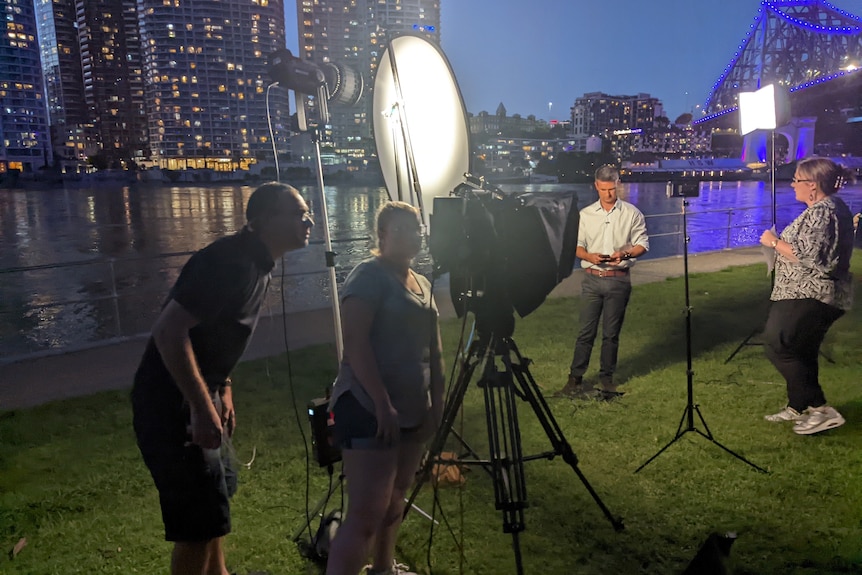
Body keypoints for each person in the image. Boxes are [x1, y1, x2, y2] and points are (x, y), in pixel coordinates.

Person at [131, 182, 313, 575]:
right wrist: (199, 406)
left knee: (214, 505)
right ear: (263, 220)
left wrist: (223, 387)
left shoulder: (257, 262)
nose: (308, 220)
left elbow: (211, 334)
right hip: (171, 404)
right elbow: (169, 332)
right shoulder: (231, 263)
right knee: (196, 523)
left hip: (201, 395)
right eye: (298, 213)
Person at [325, 201, 444, 575]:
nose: (413, 236)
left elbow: (435, 350)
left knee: (395, 501)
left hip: (413, 410)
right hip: (367, 409)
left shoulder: (422, 283)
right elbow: (355, 344)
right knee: (364, 516)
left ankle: (383, 568)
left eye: (417, 229)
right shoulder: (367, 277)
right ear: (382, 236)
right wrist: (382, 403)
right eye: (402, 229)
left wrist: (437, 404)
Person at [760, 157, 855, 435]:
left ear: (812, 186)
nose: (792, 185)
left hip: (808, 293)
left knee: (778, 344)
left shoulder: (823, 212)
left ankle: (820, 409)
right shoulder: (829, 209)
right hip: (814, 293)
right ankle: (798, 406)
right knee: (802, 349)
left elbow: (810, 256)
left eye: (797, 180)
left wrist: (774, 243)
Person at [557, 165, 649, 400]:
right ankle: (575, 378)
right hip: (592, 280)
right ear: (596, 186)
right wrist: (589, 256)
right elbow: (577, 246)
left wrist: (625, 255)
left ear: (618, 183)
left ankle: (606, 379)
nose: (609, 194)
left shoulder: (632, 213)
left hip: (618, 280)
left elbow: (642, 244)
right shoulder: (586, 215)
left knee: (611, 334)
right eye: (604, 189)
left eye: (612, 188)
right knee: (585, 332)